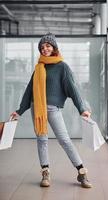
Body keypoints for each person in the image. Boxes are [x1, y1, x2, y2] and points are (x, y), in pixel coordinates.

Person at [10, 33, 92, 188]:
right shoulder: (38, 68)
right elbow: (29, 91)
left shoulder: (62, 67)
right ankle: (45, 172)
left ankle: (82, 172)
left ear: (54, 47)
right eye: (42, 47)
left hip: (53, 109)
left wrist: (82, 109)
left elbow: (73, 89)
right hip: (37, 108)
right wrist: (19, 111)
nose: (44, 49)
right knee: (42, 140)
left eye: (47, 45)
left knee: (65, 140)